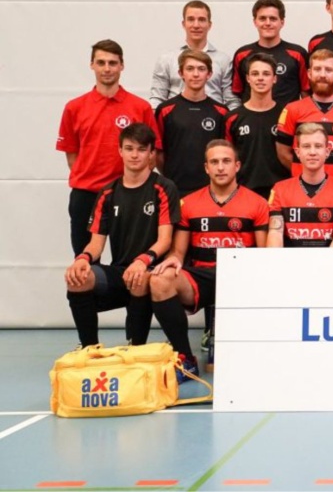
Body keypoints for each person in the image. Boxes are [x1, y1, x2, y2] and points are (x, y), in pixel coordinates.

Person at [149, 140, 269, 378]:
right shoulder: (188, 204)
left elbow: (264, 256)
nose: (220, 167)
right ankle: (185, 358)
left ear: (237, 166)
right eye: (214, 162)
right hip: (203, 277)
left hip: (242, 278)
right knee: (159, 280)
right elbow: (179, 253)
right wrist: (172, 260)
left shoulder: (258, 203)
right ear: (206, 168)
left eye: (226, 161)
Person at [64, 124, 180, 348]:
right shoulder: (107, 192)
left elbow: (165, 240)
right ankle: (90, 349)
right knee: (78, 278)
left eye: (141, 149)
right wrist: (82, 259)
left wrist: (142, 260)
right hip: (120, 271)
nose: (135, 155)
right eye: (129, 148)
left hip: (152, 269)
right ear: (120, 151)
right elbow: (96, 244)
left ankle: (136, 347)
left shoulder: (164, 188)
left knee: (139, 277)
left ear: (151, 154)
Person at [57, 39, 158, 255]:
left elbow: (152, 153)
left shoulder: (140, 107)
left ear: (122, 66)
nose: (107, 68)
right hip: (86, 194)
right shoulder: (74, 108)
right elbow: (72, 154)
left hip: (129, 194)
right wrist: (90, 176)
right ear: (91, 65)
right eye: (101, 62)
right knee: (85, 260)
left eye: (112, 63)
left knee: (130, 261)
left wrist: (133, 183)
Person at [275, 49, 333, 182]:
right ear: (309, 73)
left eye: (328, 70)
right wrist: (308, 176)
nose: (322, 75)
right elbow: (283, 153)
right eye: (317, 69)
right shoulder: (292, 110)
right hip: (302, 187)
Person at [267, 123, 333, 248]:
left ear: (327, 152)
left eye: (318, 146)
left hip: (329, 259)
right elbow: (275, 233)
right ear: (298, 152)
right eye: (306, 146)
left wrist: (324, 261)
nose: (312, 152)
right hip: (290, 260)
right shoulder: (279, 189)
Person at [154, 49, 229, 196]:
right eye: (190, 69)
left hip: (211, 190)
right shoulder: (165, 110)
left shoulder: (221, 112)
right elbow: (158, 153)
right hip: (175, 189)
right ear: (181, 73)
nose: (195, 74)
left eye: (201, 69)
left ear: (209, 74)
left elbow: (225, 153)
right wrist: (170, 177)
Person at [150, 0, 239, 110]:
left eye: (201, 20)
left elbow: (232, 101)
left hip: (213, 119)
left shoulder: (223, 60)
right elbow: (157, 99)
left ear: (209, 25)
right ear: (184, 24)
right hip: (175, 118)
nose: (196, 25)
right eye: (191, 19)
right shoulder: (166, 59)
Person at [224, 53, 290, 200]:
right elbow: (227, 158)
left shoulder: (286, 115)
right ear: (248, 78)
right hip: (244, 192)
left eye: (266, 74)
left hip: (280, 193)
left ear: (274, 78)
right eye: (255, 74)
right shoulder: (232, 118)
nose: (260, 78)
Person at [232, 0, 310, 107]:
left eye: (273, 19)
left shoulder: (298, 54)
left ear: (282, 22)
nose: (267, 23)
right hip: (252, 117)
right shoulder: (242, 55)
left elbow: (306, 93)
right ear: (255, 22)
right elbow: (236, 92)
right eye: (262, 18)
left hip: (288, 117)